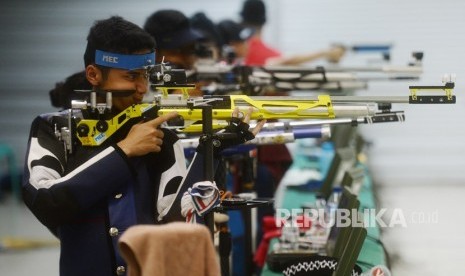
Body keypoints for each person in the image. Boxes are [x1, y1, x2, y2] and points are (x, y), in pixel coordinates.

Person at [22, 16, 263, 276]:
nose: (141, 88)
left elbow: (176, 224)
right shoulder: (56, 129)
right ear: (93, 74)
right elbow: (45, 201)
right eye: (131, 76)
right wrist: (123, 152)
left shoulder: (158, 134)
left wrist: (212, 149)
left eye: (146, 76)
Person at [239, 0, 346, 66]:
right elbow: (284, 62)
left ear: (242, 20)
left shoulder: (237, 50)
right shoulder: (255, 52)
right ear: (265, 21)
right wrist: (325, 52)